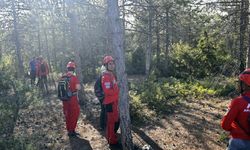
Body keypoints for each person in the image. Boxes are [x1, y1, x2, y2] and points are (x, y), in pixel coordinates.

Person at [221, 68, 250, 149]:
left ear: (244, 85)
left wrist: (236, 130)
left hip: (237, 142)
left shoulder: (237, 102)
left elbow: (225, 125)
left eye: (241, 83)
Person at [101, 56, 120, 145]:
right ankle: (111, 140)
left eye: (113, 63)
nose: (112, 65)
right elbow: (107, 91)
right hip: (110, 103)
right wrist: (117, 89)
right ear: (106, 65)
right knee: (111, 122)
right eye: (110, 64)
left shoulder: (111, 75)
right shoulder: (106, 77)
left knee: (114, 120)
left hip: (114, 102)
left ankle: (111, 137)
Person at [61, 61, 81, 137]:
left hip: (64, 100)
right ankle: (72, 130)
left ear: (67, 68)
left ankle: (69, 129)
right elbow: (78, 88)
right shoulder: (74, 78)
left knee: (67, 115)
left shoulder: (62, 77)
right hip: (73, 99)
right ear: (74, 69)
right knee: (74, 114)